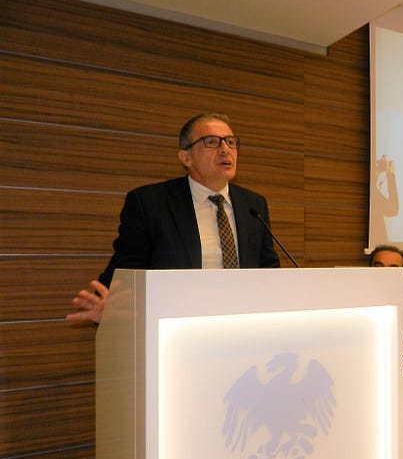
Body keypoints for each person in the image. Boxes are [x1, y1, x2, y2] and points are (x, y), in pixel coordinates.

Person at [67, 112, 280, 324]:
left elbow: (269, 271)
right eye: (211, 142)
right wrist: (108, 305)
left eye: (231, 142)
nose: (225, 149)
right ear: (186, 157)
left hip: (244, 322)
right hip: (179, 325)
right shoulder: (150, 203)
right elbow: (127, 269)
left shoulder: (253, 204)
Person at [369, 154, 399, 243]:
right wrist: (391, 175)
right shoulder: (372, 194)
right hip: (377, 245)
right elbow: (393, 209)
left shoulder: (372, 192)